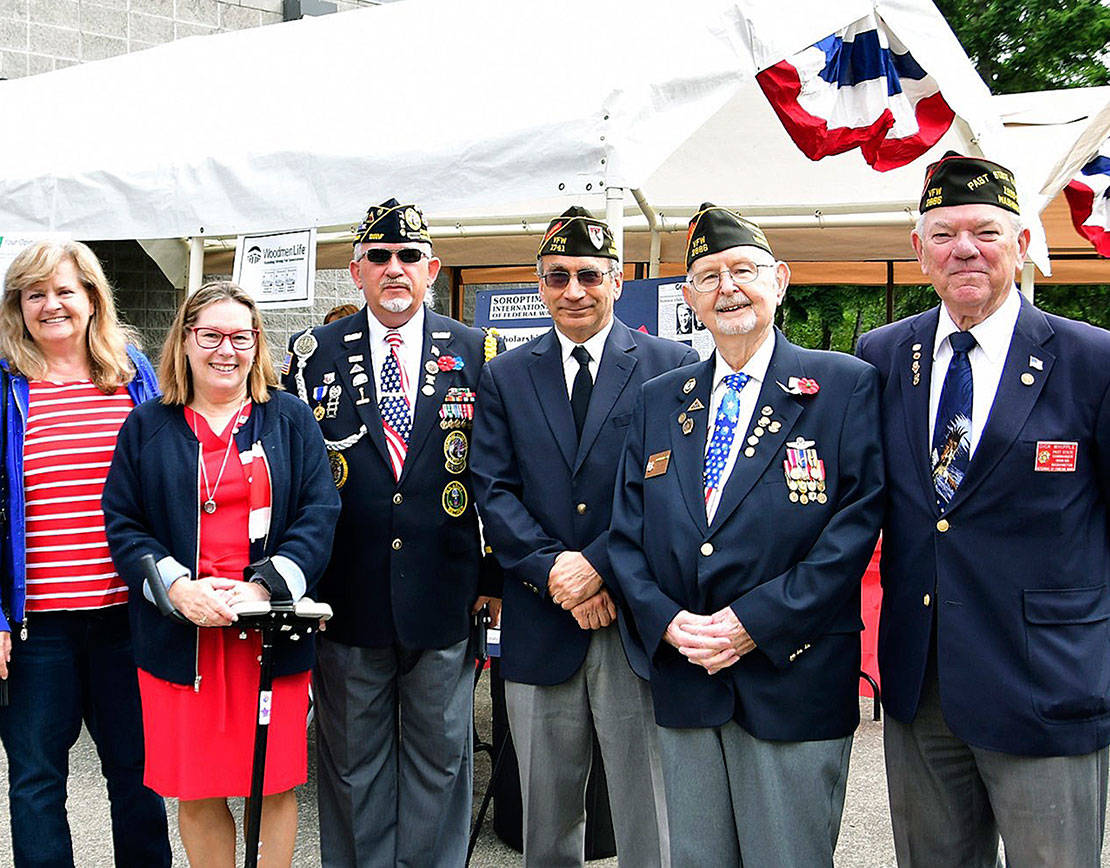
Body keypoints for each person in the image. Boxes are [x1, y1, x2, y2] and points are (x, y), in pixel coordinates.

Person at [608, 204, 884, 867]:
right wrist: (671, 623)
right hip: (687, 676)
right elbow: (624, 536)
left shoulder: (842, 386)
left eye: (744, 270)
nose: (728, 287)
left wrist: (751, 622)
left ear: (780, 279)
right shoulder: (659, 399)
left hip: (792, 677)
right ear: (689, 298)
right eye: (709, 276)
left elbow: (853, 527)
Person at [855, 152, 1110, 866]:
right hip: (922, 683)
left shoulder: (1092, 360)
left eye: (985, 232)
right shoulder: (881, 355)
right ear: (919, 251)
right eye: (943, 233)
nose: (964, 248)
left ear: (1022, 242)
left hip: (1046, 684)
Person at [472, 206, 693, 866]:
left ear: (618, 279)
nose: (574, 290)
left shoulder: (669, 365)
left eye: (589, 275)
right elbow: (494, 488)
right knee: (546, 823)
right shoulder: (506, 374)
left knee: (647, 817)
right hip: (542, 621)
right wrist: (556, 574)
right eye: (557, 275)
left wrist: (597, 567)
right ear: (540, 283)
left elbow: (672, 494)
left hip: (631, 620)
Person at [282, 198, 499, 866]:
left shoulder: (474, 350)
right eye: (379, 257)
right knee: (351, 770)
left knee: (442, 764)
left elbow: (493, 473)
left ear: (431, 268)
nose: (394, 268)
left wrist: (493, 580)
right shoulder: (315, 356)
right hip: (347, 599)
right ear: (356, 271)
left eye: (408, 257)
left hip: (446, 593)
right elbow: (300, 485)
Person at [0, 239, 170, 867]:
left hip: (127, 615)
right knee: (38, 781)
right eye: (35, 293)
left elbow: (164, 474)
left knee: (139, 774)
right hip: (34, 626)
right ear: (17, 304)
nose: (51, 305)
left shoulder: (131, 373)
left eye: (65, 290)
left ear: (93, 298)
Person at [103, 281, 339, 866]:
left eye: (240, 336)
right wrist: (178, 588)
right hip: (182, 636)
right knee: (198, 784)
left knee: (274, 781)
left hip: (269, 632)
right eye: (211, 335)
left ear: (257, 344)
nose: (225, 350)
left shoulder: (287, 418)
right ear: (185, 341)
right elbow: (124, 523)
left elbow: (320, 510)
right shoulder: (147, 426)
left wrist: (264, 586)